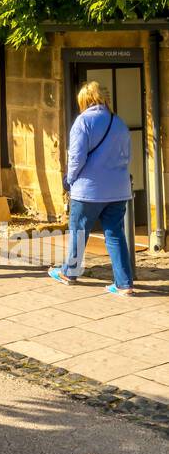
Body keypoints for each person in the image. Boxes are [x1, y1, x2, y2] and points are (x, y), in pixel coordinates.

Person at [49, 81, 135, 296]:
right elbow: (128, 156)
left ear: (85, 100)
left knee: (79, 231)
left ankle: (70, 272)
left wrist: (69, 179)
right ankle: (124, 284)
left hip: (88, 190)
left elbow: (76, 158)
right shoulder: (120, 122)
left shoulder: (83, 121)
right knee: (115, 234)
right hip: (118, 190)